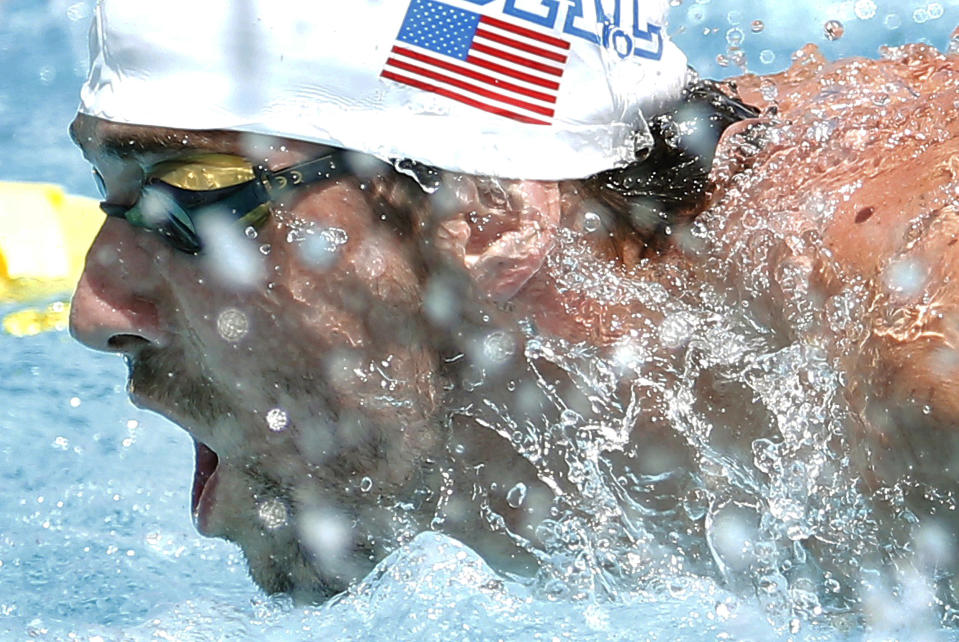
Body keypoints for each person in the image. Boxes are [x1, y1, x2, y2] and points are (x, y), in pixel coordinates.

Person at [68, 0, 959, 611]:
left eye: (189, 204)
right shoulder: (461, 401)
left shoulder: (915, 352)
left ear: (486, 214)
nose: (95, 310)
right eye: (110, 193)